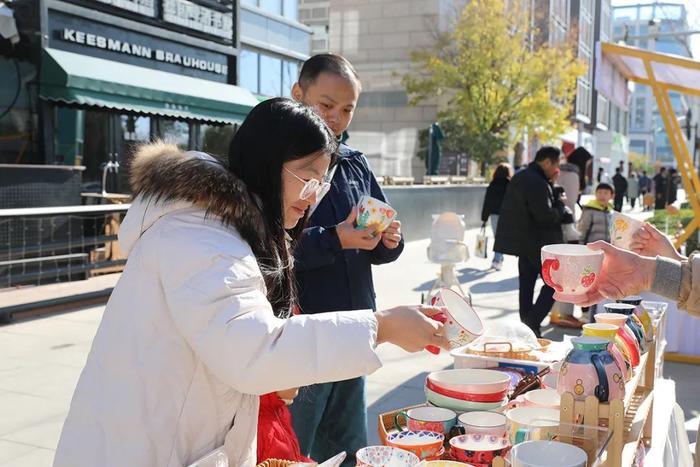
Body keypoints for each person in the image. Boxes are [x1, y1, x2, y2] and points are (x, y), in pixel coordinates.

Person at [52, 99, 449, 467]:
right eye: (308, 177)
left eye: (322, 182)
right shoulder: (201, 239)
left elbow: (229, 347)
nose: (314, 196)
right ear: (266, 161)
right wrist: (383, 327)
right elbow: (253, 351)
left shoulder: (224, 229)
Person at [288, 54, 404, 466]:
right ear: (297, 94)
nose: (336, 117)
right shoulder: (279, 163)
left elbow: (383, 242)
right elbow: (271, 248)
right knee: (291, 448)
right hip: (303, 335)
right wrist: (336, 238)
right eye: (326, 105)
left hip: (356, 328)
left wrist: (388, 240)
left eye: (347, 108)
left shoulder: (354, 162)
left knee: (347, 450)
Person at [495, 146, 569, 337]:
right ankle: (530, 324)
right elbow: (545, 216)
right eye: (556, 164)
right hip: (540, 243)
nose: (556, 169)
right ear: (546, 162)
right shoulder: (537, 182)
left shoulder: (522, 177)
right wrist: (560, 205)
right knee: (555, 283)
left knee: (526, 286)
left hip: (523, 242)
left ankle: (527, 328)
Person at [577, 183, 614, 321]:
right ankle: (585, 311)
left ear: (611, 196)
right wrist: (581, 251)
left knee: (600, 282)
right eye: (600, 192)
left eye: (606, 193)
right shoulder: (589, 210)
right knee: (586, 281)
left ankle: (597, 310)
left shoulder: (611, 212)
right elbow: (582, 231)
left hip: (606, 255)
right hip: (590, 254)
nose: (602, 196)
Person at [481, 162, 512, 270]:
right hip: (506, 215)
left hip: (494, 214)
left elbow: (487, 202)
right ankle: (497, 260)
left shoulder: (492, 184)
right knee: (501, 238)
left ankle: (498, 258)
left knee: (498, 237)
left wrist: (484, 218)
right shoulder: (510, 184)